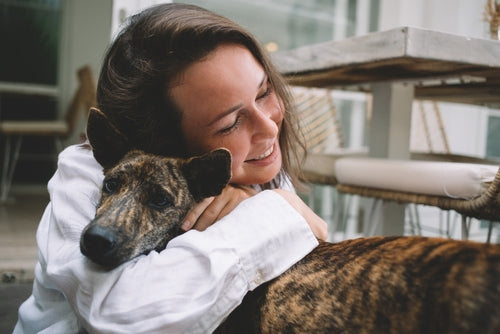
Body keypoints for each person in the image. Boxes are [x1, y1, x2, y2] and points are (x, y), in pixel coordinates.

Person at [14, 3, 328, 333]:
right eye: (230, 123)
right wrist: (269, 215)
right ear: (165, 147)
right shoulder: (88, 171)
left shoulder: (259, 171)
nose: (269, 128)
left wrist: (262, 204)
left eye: (264, 93)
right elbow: (116, 314)